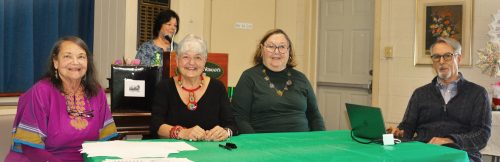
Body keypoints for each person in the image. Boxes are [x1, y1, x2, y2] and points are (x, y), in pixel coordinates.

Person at [4, 36, 118, 162]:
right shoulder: (41, 91)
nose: (75, 62)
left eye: (81, 56)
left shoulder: (97, 92)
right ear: (55, 62)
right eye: (67, 56)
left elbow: (107, 140)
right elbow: (30, 147)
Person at [388, 37, 491, 162]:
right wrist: (398, 133)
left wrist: (450, 140)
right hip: (424, 153)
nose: (441, 61)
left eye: (447, 56)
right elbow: (407, 128)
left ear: (458, 59)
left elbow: (482, 135)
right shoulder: (420, 93)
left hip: (461, 155)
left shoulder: (477, 93)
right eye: (436, 57)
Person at [231, 29, 325, 133]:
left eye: (282, 47)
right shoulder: (249, 77)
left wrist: (319, 139)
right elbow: (239, 118)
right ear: (262, 50)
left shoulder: (301, 78)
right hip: (264, 144)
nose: (276, 52)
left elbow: (315, 116)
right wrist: (255, 143)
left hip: (302, 143)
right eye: (271, 46)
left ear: (289, 51)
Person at [150, 34, 238, 141]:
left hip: (210, 152)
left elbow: (232, 125)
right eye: (186, 57)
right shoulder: (164, 87)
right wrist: (182, 132)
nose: (192, 63)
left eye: (198, 57)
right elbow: (156, 126)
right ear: (177, 60)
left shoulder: (217, 87)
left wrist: (225, 132)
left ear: (205, 61)